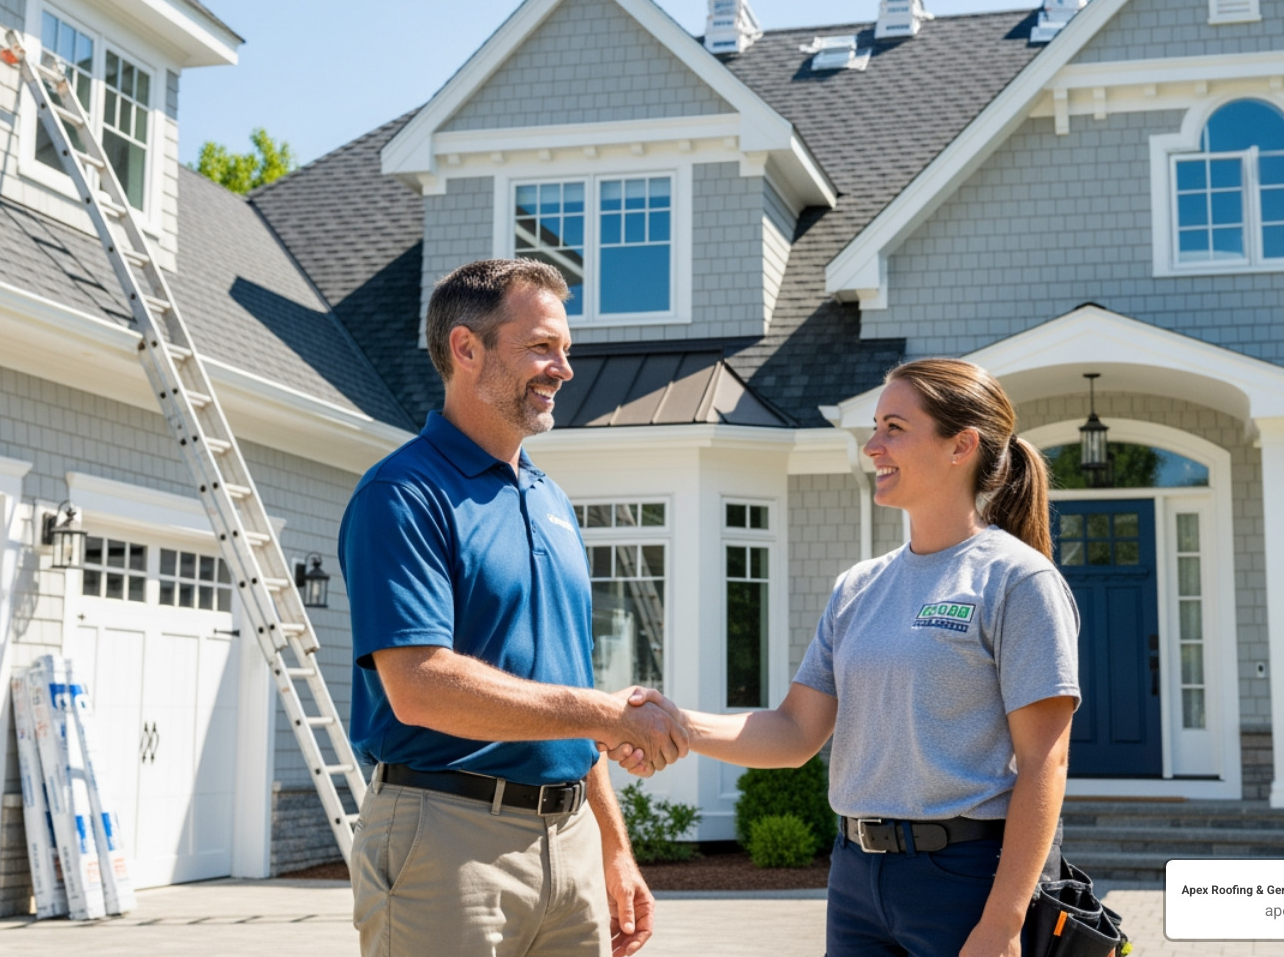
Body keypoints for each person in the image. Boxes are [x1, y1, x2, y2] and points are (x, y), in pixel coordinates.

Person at [621, 358, 1081, 957]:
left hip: (967, 880)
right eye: (874, 428)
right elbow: (792, 733)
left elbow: (1045, 763)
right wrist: (674, 722)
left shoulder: (1018, 581)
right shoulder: (859, 587)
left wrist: (1003, 923)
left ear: (960, 446)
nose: (872, 446)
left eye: (894, 427)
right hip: (856, 882)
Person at [339, 258, 688, 957]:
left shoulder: (550, 500)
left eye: (565, 350)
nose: (563, 369)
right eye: (541, 347)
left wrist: (613, 848)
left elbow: (559, 685)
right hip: (446, 839)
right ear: (467, 349)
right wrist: (608, 713)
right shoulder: (403, 495)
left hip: (570, 839)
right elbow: (419, 686)